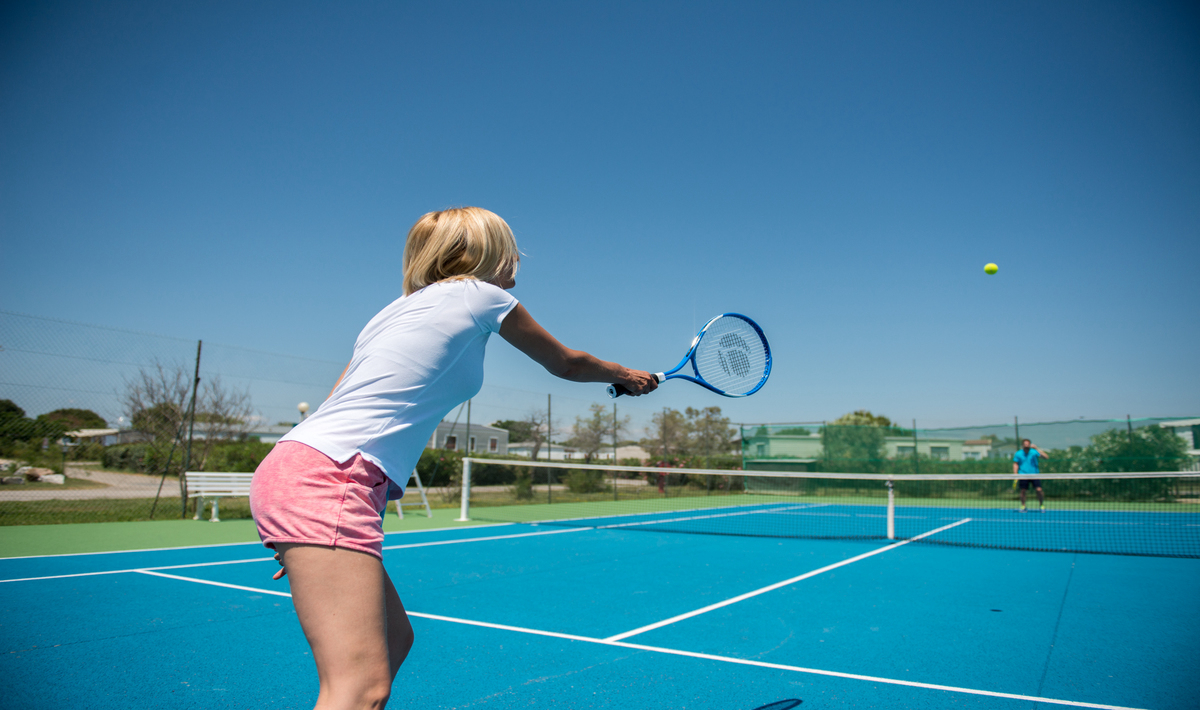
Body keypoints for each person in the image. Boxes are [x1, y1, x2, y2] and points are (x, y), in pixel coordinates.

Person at [249, 207, 658, 710]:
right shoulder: (481, 295)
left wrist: (303, 522)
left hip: (304, 469)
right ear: (484, 254)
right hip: (329, 478)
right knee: (359, 690)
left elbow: (335, 405)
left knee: (396, 641)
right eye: (510, 250)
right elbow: (568, 364)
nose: (516, 264)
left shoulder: (391, 312)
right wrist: (626, 375)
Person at [1012, 438, 1049, 512]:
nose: (1026, 445)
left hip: (1034, 475)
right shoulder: (1018, 453)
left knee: (1039, 490)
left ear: (1030, 444)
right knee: (1023, 491)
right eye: (1025, 444)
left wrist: (1037, 449)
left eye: (1028, 444)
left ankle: (1041, 505)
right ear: (1022, 445)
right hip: (1023, 475)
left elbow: (1046, 457)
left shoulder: (1034, 452)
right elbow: (1015, 464)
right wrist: (1015, 474)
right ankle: (1023, 506)